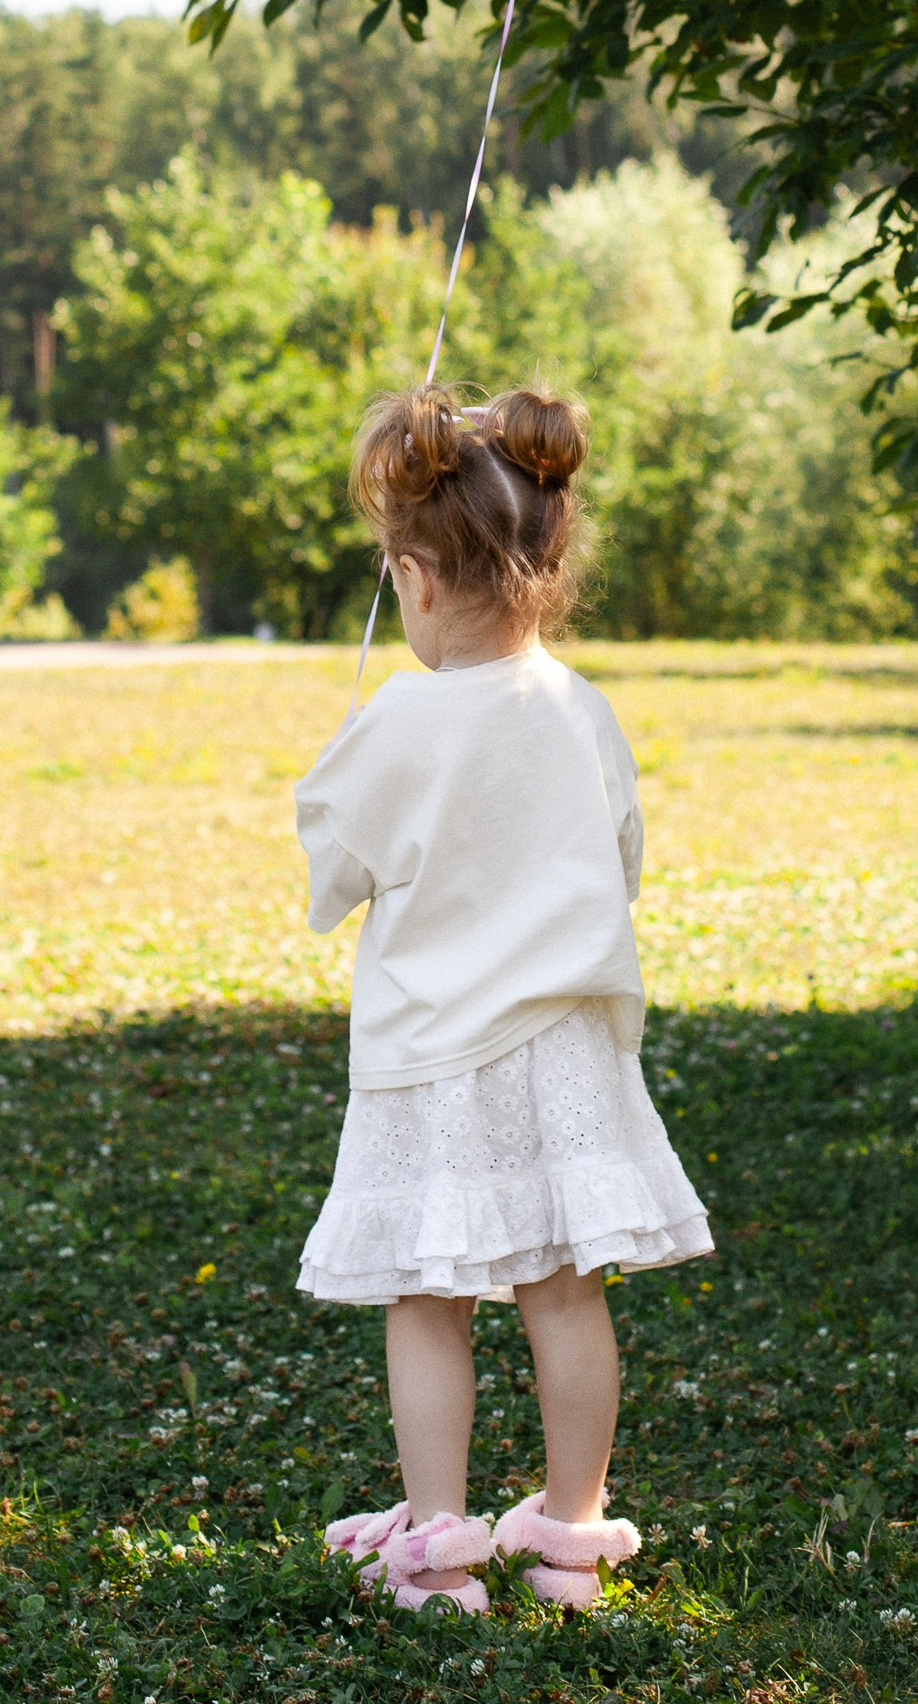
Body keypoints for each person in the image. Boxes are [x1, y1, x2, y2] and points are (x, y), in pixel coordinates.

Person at [294, 381, 711, 1616]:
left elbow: (333, 880)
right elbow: (621, 857)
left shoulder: (397, 718)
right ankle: (572, 1536)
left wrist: (332, 783)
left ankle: (439, 1551)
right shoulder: (581, 708)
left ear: (414, 579)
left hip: (432, 1058)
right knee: (565, 1290)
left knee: (427, 1300)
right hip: (565, 1050)